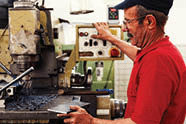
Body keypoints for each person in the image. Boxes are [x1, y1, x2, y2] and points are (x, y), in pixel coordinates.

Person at [57, 0, 186, 123]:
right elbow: (139, 55)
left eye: (128, 22)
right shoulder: (160, 51)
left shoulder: (158, 60)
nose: (124, 28)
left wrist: (91, 121)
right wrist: (111, 38)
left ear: (149, 21)